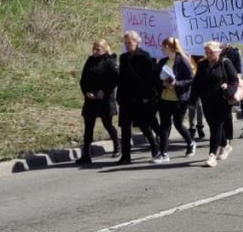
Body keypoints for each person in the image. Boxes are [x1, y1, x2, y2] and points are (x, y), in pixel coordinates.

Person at [189, 41, 239, 168]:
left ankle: (212, 155)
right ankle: (225, 145)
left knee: (216, 126)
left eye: (211, 52)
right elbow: (196, 83)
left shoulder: (225, 63)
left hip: (222, 100)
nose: (209, 55)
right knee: (214, 126)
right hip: (207, 101)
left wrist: (228, 91)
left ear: (219, 51)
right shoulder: (202, 64)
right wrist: (192, 100)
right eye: (206, 52)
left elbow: (234, 80)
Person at [116, 31, 159, 165]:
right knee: (125, 128)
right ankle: (126, 156)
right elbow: (121, 79)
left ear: (137, 42)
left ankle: (154, 147)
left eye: (129, 42)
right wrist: (119, 96)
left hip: (140, 98)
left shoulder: (145, 57)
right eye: (126, 43)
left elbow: (150, 79)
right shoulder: (123, 58)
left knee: (144, 125)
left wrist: (147, 96)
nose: (127, 45)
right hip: (126, 98)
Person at [77, 39, 120, 165]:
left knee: (108, 124)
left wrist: (103, 92)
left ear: (104, 49)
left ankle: (117, 145)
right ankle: (86, 154)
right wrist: (86, 92)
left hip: (105, 99)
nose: (95, 52)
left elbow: (114, 80)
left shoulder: (109, 61)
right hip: (90, 99)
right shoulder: (90, 61)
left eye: (98, 49)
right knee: (88, 126)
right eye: (94, 49)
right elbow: (83, 79)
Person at [153, 38, 196, 163]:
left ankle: (190, 142)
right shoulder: (163, 62)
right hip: (164, 98)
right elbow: (156, 79)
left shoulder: (182, 61)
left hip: (179, 99)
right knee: (164, 125)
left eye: (164, 46)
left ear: (171, 47)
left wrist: (176, 83)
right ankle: (164, 153)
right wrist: (163, 84)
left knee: (178, 123)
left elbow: (191, 79)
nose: (162, 49)